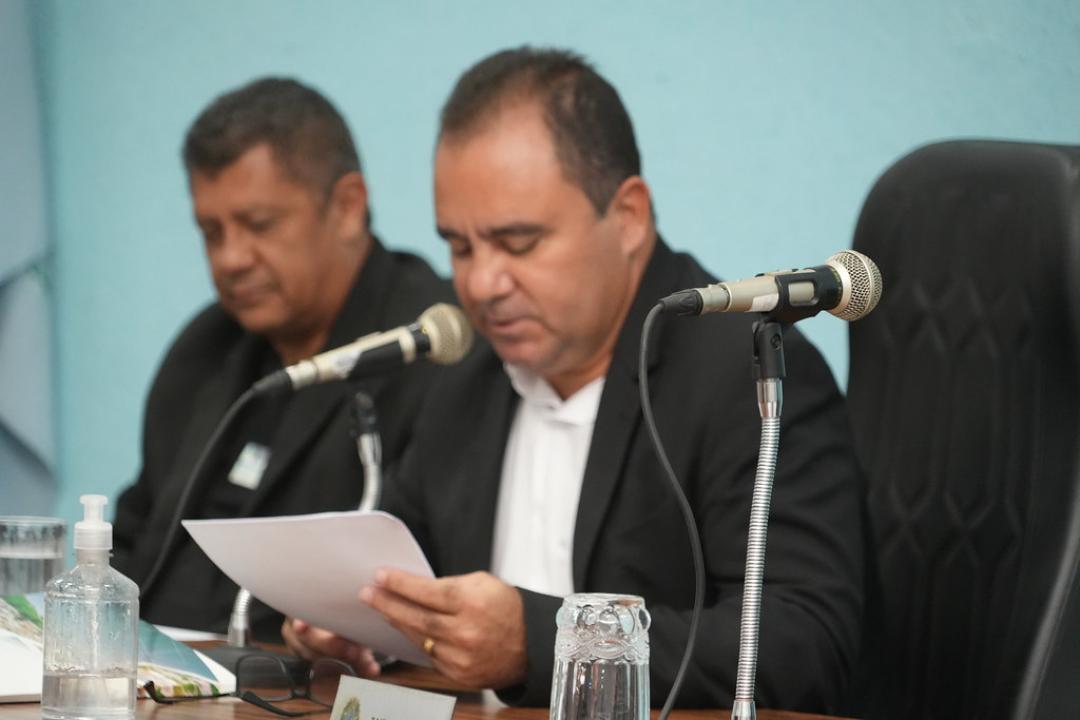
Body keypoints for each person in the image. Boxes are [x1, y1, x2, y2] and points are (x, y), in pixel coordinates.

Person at [284, 48, 864, 713]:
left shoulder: (745, 372)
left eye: (519, 243)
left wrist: (543, 642)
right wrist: (367, 624)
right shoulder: (465, 377)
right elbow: (417, 580)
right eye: (460, 247)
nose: (481, 284)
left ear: (628, 217)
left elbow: (804, 642)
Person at [112, 78, 452, 640]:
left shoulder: (428, 349)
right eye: (211, 232)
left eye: (259, 225)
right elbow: (135, 536)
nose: (231, 259)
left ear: (347, 206)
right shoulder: (206, 347)